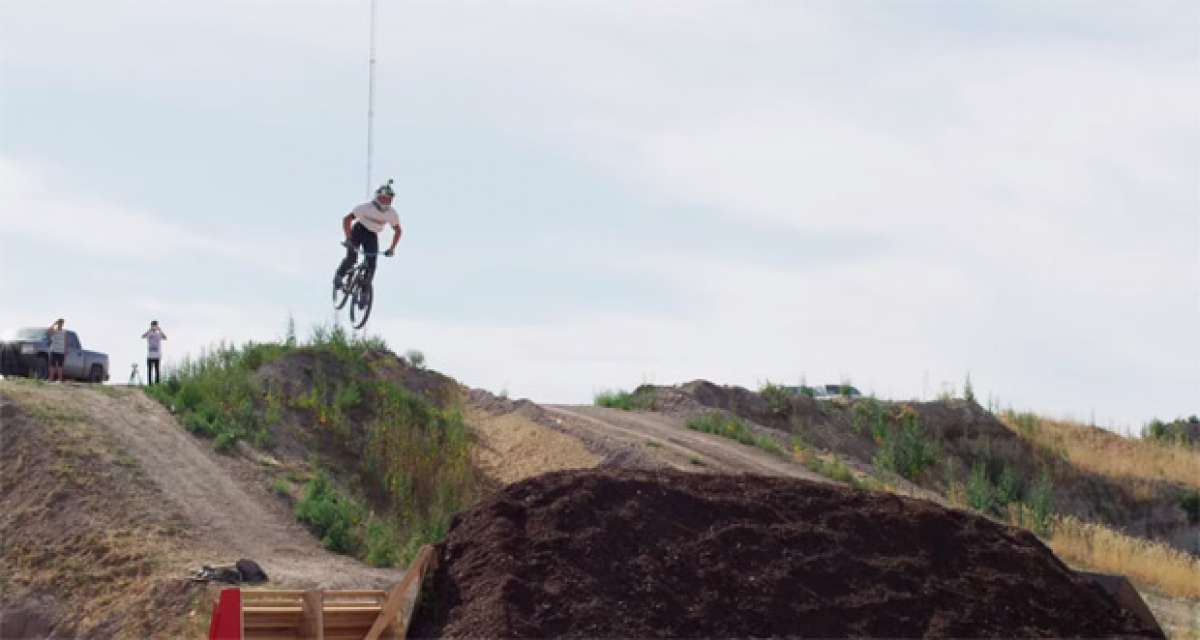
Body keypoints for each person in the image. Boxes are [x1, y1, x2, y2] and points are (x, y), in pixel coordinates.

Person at [334, 179, 402, 291]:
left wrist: (392, 248)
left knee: (372, 264)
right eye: (383, 198)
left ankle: (365, 290)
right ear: (378, 196)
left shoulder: (392, 214)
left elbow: (398, 231)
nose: (385, 201)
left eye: (389, 199)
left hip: (372, 235)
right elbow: (347, 219)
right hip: (358, 231)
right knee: (352, 258)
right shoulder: (365, 207)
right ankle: (339, 277)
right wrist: (348, 238)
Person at [141, 320, 167, 385]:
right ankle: (150, 384)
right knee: (150, 370)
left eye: (155, 325)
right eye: (153, 325)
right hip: (150, 355)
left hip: (157, 355)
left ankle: (157, 384)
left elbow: (165, 337)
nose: (154, 327)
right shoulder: (149, 334)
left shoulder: (158, 334)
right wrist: (149, 330)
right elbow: (143, 336)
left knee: (157, 370)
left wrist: (160, 330)